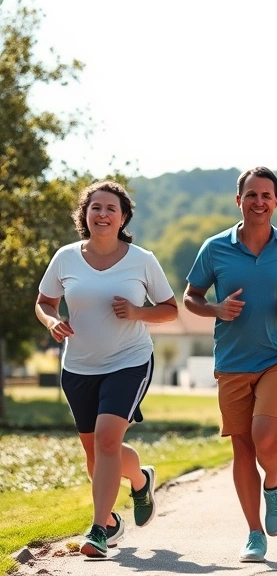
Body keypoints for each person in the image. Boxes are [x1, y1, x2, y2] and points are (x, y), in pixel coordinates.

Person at [183, 166, 277, 563]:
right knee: (243, 448)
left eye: (266, 195)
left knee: (264, 436)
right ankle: (254, 532)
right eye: (251, 195)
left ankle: (274, 484)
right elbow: (190, 295)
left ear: (276, 202)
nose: (259, 202)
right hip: (231, 361)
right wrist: (214, 308)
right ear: (239, 200)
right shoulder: (215, 248)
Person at [35, 181, 177, 558]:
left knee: (107, 439)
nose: (102, 214)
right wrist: (51, 322)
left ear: (123, 216)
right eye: (95, 207)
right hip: (79, 365)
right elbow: (45, 302)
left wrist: (137, 313)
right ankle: (139, 479)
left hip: (129, 361)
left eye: (110, 208)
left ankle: (100, 529)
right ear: (85, 214)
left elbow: (170, 308)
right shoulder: (65, 257)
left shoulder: (141, 259)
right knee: (95, 452)